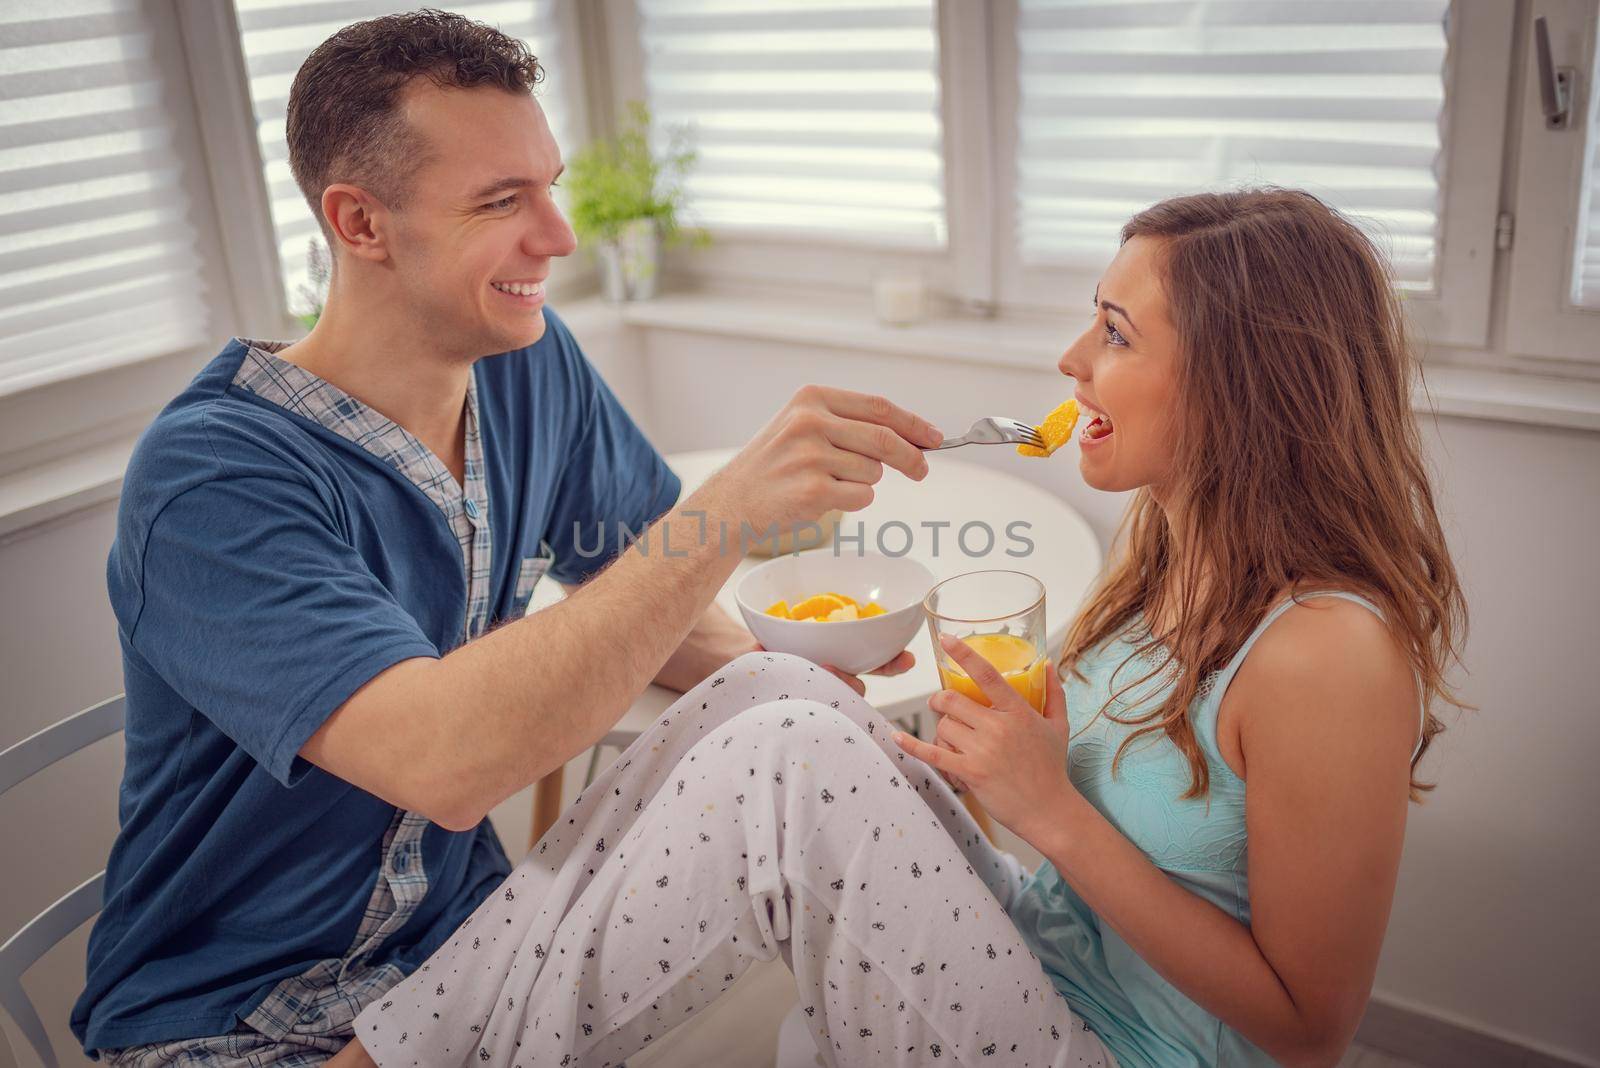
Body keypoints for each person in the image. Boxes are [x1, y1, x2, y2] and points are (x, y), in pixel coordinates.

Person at [337, 187, 1468, 1068]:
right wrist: (915, 714)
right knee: (778, 698)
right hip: (1043, 960)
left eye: (1116, 333)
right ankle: (415, 1045)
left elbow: (1311, 1032)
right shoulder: (1173, 554)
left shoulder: (1329, 651)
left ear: (1242, 383)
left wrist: (1052, 814)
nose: (1072, 363)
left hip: (1128, 1049)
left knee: (795, 748)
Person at [71, 12, 938, 1065]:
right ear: (360, 223)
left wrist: (803, 674)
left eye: (549, 185)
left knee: (784, 713)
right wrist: (732, 508)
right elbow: (449, 764)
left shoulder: (526, 360)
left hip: (457, 947)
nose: (559, 236)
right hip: (237, 1024)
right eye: (501, 201)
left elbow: (653, 607)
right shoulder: (213, 480)